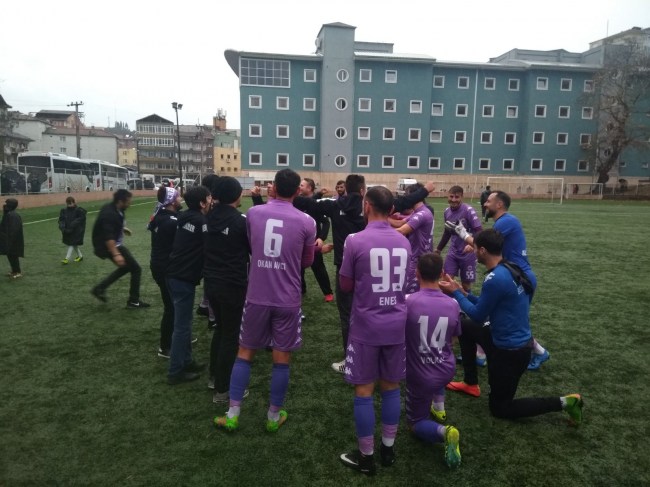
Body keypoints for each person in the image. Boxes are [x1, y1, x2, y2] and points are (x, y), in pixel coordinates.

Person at [439, 229, 583, 424]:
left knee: (500, 408)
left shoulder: (495, 279)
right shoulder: (509, 267)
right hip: (502, 337)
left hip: (511, 352)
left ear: (482, 250)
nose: (473, 252)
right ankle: (470, 383)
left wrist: (455, 293)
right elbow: (486, 305)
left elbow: (478, 315)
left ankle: (567, 402)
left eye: (475, 248)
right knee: (465, 327)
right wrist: (463, 293)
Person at [294, 176, 434, 374]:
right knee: (379, 311)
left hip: (346, 267)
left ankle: (351, 359)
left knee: (347, 315)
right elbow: (403, 202)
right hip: (374, 267)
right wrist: (424, 190)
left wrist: (288, 194)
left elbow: (307, 204)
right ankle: (382, 359)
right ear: (362, 192)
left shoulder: (335, 205)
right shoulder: (376, 207)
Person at [214, 168, 316, 432]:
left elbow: (252, 245)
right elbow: (307, 261)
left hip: (257, 295)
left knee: (245, 352)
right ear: (297, 191)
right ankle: (272, 417)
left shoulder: (254, 214)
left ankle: (233, 414)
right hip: (287, 299)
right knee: (281, 358)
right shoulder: (307, 221)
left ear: (274, 188)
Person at [338, 186, 411, 477]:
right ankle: (388, 450)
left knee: (364, 389)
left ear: (367, 206)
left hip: (366, 326)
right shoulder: (403, 241)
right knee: (391, 387)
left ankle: (366, 458)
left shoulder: (355, 240)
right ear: (391, 209)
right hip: (396, 324)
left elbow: (345, 285)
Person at [447, 190, 550, 371]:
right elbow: (485, 244)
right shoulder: (504, 222)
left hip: (518, 277)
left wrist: (464, 235)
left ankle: (536, 351)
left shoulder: (506, 221)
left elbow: (485, 243)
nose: (485, 204)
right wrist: (473, 245)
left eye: (488, 201)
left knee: (510, 323)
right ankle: (481, 353)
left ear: (499, 204)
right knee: (501, 318)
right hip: (513, 274)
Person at [405, 253, 462, 468]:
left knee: (415, 423)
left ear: (417, 273)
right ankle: (439, 406)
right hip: (446, 368)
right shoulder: (453, 304)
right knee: (437, 368)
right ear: (441, 274)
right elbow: (453, 338)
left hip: (420, 374)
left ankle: (444, 432)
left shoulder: (408, 301)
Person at [204, 177, 251, 403]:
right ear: (236, 195)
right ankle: (223, 390)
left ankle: (215, 377)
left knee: (221, 330)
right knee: (231, 336)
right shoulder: (241, 221)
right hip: (232, 284)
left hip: (212, 283)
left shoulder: (208, 217)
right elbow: (253, 248)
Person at [165, 185, 212, 385]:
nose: (211, 201)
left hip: (174, 274)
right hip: (182, 278)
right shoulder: (201, 221)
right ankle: (175, 371)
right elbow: (209, 246)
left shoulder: (184, 216)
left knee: (184, 322)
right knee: (182, 326)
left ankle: (186, 361)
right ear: (201, 203)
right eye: (208, 198)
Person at [437, 186, 486, 366]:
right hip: (453, 253)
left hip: (467, 254)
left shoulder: (469, 210)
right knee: (445, 283)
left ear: (462, 197)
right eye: (451, 196)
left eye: (457, 197)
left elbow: (479, 231)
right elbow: (447, 232)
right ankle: (450, 317)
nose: (454, 200)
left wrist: (473, 245)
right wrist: (438, 249)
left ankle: (465, 317)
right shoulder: (446, 212)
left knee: (465, 287)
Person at [91, 189, 149, 308]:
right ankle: (133, 301)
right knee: (136, 269)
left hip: (111, 244)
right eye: (128, 202)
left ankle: (99, 289)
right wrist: (116, 254)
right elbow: (108, 237)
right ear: (120, 201)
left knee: (126, 268)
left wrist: (121, 229)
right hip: (107, 246)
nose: (130, 204)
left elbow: (112, 225)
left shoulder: (117, 209)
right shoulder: (109, 214)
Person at [148, 186, 183, 358]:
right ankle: (165, 346)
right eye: (178, 197)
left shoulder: (161, 216)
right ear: (172, 201)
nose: (181, 199)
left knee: (174, 305)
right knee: (171, 307)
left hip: (160, 265)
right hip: (165, 268)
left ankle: (179, 335)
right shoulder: (171, 222)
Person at [391, 183, 433, 294]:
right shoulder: (418, 212)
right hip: (418, 257)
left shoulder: (422, 214)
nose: (407, 199)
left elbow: (401, 231)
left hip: (419, 259)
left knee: (409, 293)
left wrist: (377, 232)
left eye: (408, 196)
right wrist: (382, 217)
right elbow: (400, 223)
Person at [299, 177, 334, 302]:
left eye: (302, 185)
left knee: (318, 267)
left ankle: (328, 292)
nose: (299, 187)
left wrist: (321, 238)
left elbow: (326, 222)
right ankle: (301, 289)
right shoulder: (297, 202)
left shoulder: (316, 204)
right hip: (299, 241)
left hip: (313, 243)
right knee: (298, 268)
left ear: (309, 188)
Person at [58, 196, 87, 264]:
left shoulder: (79, 210)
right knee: (74, 244)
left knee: (71, 244)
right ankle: (80, 256)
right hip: (68, 230)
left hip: (76, 231)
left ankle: (66, 259)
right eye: (68, 203)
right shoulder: (64, 211)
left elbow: (81, 219)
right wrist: (62, 227)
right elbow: (61, 220)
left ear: (74, 202)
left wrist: (72, 224)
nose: (69, 205)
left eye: (70, 203)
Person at [0, 198, 24, 279]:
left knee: (13, 256)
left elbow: (13, 230)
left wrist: (8, 239)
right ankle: (14, 271)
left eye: (7, 204)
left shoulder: (13, 215)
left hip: (13, 240)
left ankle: (18, 272)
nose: (5, 205)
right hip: (9, 239)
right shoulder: (9, 214)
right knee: (10, 256)